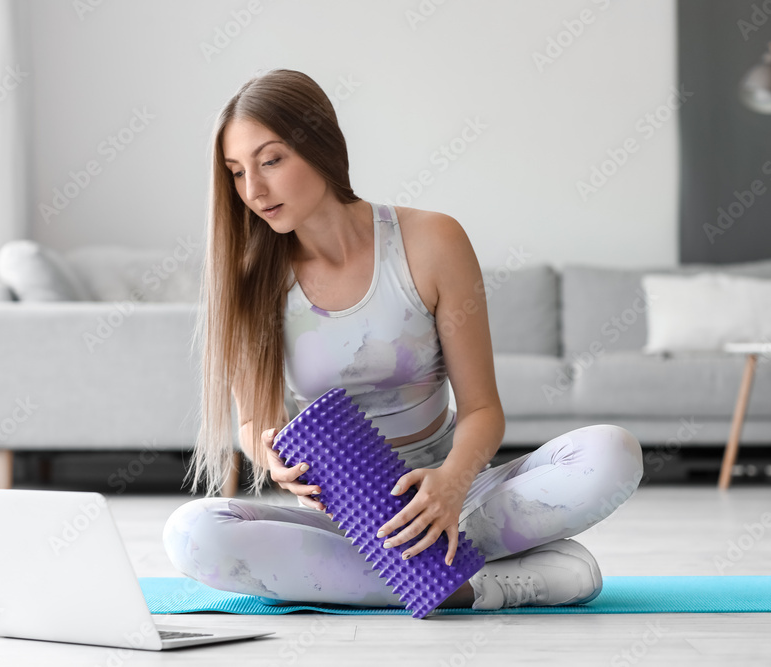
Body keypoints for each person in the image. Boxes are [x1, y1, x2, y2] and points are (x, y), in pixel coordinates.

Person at [163, 69, 643, 610]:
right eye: (236, 172)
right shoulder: (255, 279)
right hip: (344, 520)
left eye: (270, 160)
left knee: (612, 453)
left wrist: (450, 484)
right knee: (192, 533)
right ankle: (478, 587)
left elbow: (483, 408)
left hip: (456, 495)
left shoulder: (431, 240)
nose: (253, 190)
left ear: (322, 147)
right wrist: (270, 458)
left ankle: (396, 571)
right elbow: (254, 422)